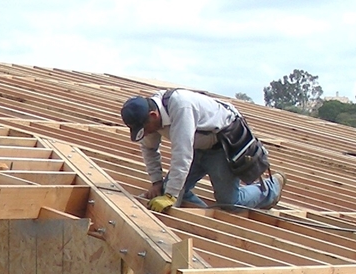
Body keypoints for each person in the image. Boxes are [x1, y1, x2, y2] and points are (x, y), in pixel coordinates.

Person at [120, 90, 284, 212]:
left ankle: (272, 188)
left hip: (220, 146)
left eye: (145, 128)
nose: (146, 133)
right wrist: (157, 182)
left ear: (153, 115)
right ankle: (208, 215)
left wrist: (170, 195)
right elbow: (149, 148)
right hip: (197, 146)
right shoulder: (149, 120)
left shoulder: (180, 106)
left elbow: (182, 155)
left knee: (229, 203)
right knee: (171, 191)